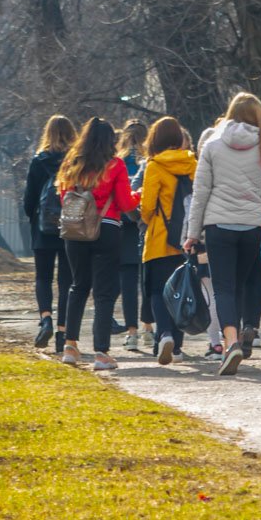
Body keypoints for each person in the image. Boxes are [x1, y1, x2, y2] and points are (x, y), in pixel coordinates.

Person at [183, 93, 261, 376]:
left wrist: (192, 233)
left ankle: (231, 342)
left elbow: (200, 193)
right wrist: (259, 213)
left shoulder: (212, 145)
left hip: (218, 225)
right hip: (252, 226)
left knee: (223, 287)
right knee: (238, 285)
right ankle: (237, 335)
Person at [57, 118, 140, 371]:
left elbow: (64, 197)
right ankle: (101, 353)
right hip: (107, 229)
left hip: (75, 231)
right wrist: (140, 195)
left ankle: (70, 346)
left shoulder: (72, 164)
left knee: (78, 286)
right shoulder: (114, 166)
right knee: (104, 293)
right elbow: (126, 204)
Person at [139, 116, 197, 366]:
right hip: (186, 240)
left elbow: (147, 207)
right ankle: (177, 347)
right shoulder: (193, 163)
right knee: (182, 292)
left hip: (159, 240)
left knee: (156, 291)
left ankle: (163, 335)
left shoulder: (154, 166)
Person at [22, 114, 76, 351]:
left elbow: (29, 199)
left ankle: (46, 319)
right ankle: (63, 333)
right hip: (71, 227)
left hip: (42, 228)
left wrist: (33, 217)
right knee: (67, 281)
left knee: (42, 277)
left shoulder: (38, 161)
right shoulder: (75, 161)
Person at [116, 119, 149, 350]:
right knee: (148, 280)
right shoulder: (150, 161)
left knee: (128, 283)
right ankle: (149, 328)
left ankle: (132, 332)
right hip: (147, 224)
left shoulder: (118, 161)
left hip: (123, 227)